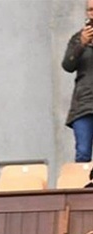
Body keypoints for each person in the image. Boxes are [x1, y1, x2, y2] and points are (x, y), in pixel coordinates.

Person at [62, 1, 93, 187]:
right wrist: (81, 44)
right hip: (83, 105)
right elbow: (67, 65)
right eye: (90, 9)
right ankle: (83, 195)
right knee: (82, 153)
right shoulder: (77, 38)